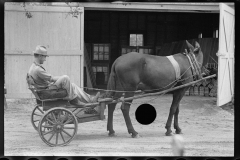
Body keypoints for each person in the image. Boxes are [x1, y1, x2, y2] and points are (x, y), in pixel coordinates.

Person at [28, 45, 100, 106]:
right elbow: (51, 78)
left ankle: (90, 99)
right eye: (45, 57)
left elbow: (49, 79)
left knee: (73, 85)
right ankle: (73, 100)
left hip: (44, 90)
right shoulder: (38, 69)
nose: (45, 59)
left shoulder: (33, 67)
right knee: (65, 78)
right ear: (40, 56)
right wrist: (62, 78)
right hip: (47, 91)